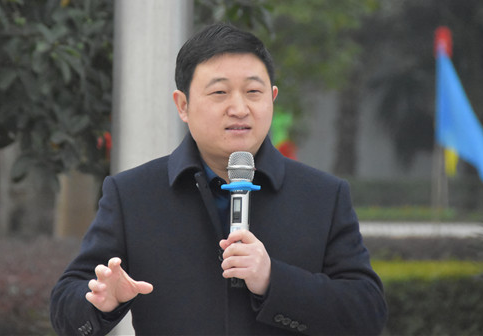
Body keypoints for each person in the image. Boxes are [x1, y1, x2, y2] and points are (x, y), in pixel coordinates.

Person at [50, 23, 387, 335]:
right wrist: (100, 303)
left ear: (272, 98)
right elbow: (66, 306)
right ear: (183, 105)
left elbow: (367, 312)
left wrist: (273, 280)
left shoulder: (323, 196)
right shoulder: (132, 194)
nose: (239, 108)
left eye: (253, 92)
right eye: (220, 93)